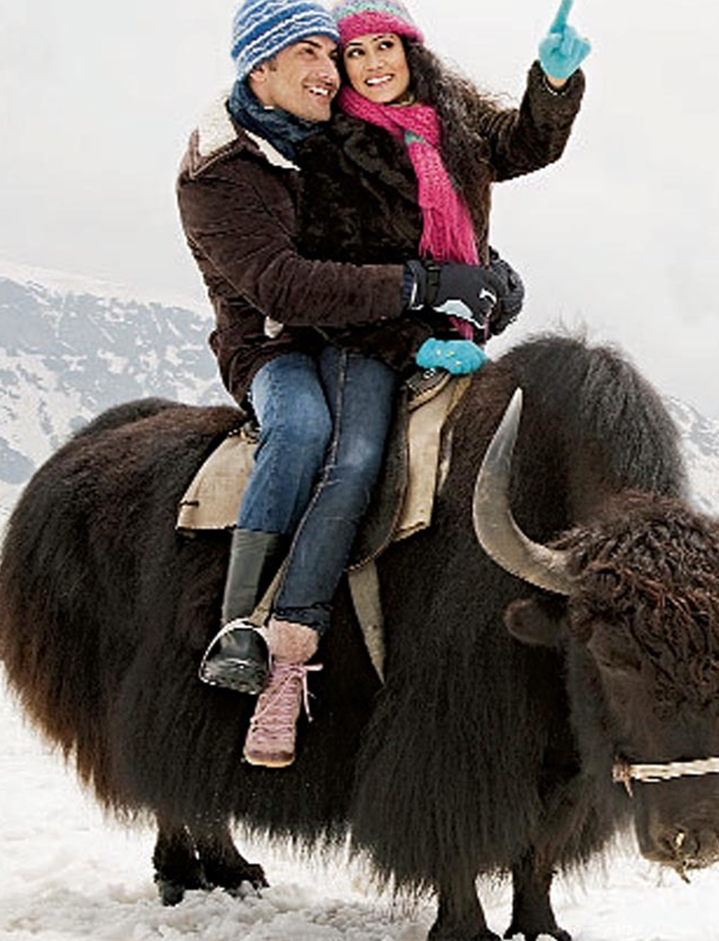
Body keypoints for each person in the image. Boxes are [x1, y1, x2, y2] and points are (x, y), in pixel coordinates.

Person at [177, 0, 513, 768]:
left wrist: (484, 276)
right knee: (304, 431)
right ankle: (243, 628)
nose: (331, 71)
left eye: (335, 55)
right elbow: (282, 287)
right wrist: (425, 287)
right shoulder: (219, 172)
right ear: (260, 67)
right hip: (277, 345)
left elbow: (408, 216)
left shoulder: (337, 131)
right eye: (309, 55)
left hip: (371, 332)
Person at [292, 0, 589, 375]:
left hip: (460, 331)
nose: (374, 64)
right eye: (356, 52)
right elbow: (330, 280)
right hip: (372, 342)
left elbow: (524, 147)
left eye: (384, 45)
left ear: (407, 49)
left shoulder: (454, 112)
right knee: (360, 438)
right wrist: (418, 346)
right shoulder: (329, 148)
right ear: (342, 65)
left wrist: (553, 83)